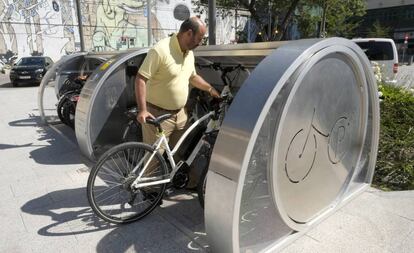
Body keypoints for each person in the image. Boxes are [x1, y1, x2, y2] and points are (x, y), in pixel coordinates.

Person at [135, 17, 220, 152]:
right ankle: (150, 173)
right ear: (189, 33)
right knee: (154, 159)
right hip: (157, 114)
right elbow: (140, 79)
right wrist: (143, 110)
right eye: (200, 38)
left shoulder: (189, 53)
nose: (201, 42)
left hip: (180, 115)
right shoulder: (160, 50)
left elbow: (192, 77)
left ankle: (168, 173)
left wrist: (210, 88)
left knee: (176, 154)